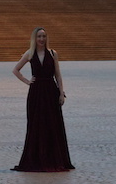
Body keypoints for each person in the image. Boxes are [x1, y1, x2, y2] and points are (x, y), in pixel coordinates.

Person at [11, 27, 74, 172]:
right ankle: (37, 158)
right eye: (39, 36)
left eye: (44, 36)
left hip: (51, 91)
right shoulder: (29, 53)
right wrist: (27, 81)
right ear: (35, 38)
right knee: (36, 125)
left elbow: (58, 75)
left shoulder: (53, 54)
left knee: (53, 124)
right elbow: (15, 70)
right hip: (36, 93)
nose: (41, 39)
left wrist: (60, 92)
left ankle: (55, 158)